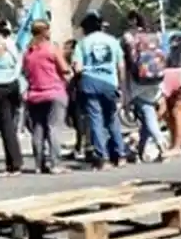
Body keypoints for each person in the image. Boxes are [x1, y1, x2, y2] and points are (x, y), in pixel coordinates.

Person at [71, 10, 127, 170]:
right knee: (112, 118)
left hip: (89, 83)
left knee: (95, 119)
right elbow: (121, 65)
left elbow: (78, 67)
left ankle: (102, 158)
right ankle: (120, 154)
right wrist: (121, 86)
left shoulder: (82, 43)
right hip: (110, 82)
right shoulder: (112, 41)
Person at [121, 10, 172, 162]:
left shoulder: (128, 37)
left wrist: (124, 87)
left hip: (137, 80)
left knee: (147, 112)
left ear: (131, 21)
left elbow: (125, 61)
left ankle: (162, 145)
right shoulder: (155, 35)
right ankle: (142, 150)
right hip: (156, 78)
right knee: (145, 115)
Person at [22, 20, 70, 173]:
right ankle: (56, 164)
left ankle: (38, 164)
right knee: (54, 128)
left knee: (38, 129)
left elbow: (25, 72)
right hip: (54, 92)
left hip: (35, 94)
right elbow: (64, 69)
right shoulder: (51, 49)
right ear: (45, 32)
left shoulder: (28, 52)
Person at [0, 21, 23, 177]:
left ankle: (14, 163)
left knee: (5, 126)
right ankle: (14, 161)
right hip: (12, 85)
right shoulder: (11, 45)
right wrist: (15, 78)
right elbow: (19, 62)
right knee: (10, 125)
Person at [63, 39, 87, 160]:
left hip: (77, 94)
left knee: (79, 122)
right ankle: (80, 146)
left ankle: (80, 147)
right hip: (73, 94)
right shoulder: (69, 62)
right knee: (77, 122)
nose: (64, 51)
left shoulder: (77, 62)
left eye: (66, 48)